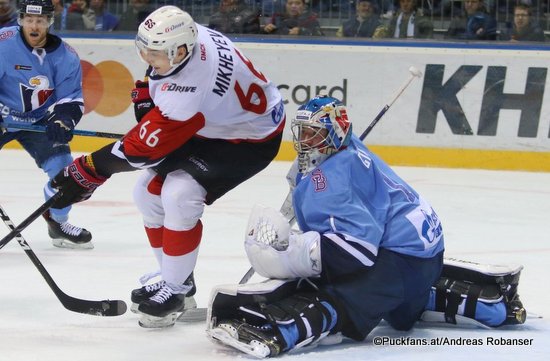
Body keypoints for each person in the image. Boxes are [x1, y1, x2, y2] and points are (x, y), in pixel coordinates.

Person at [49, 5, 285, 328]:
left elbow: (140, 150)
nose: (147, 58)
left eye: (154, 53)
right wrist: (150, 90)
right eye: (144, 49)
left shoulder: (189, 90)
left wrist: (88, 171)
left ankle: (174, 289)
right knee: (146, 193)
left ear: (180, 51)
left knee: (179, 193)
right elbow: (162, 78)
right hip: (217, 122)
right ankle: (178, 280)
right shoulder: (187, 38)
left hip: (248, 140)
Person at [208, 95, 445, 356]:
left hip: (403, 263)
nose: (305, 141)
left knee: (334, 296)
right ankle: (427, 295)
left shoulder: (333, 177)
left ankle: (280, 330)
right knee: (402, 318)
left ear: (336, 132)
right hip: (426, 256)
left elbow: (357, 252)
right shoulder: (347, 151)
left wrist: (293, 254)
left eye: (315, 134)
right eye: (303, 132)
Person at [0, 0, 93, 249]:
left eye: (40, 21)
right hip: (2, 116)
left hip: (37, 121)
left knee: (65, 172)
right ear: (20, 20)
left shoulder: (66, 56)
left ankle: (57, 222)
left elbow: (71, 98)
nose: (34, 26)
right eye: (29, 20)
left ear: (49, 23)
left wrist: (63, 119)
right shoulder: (3, 43)